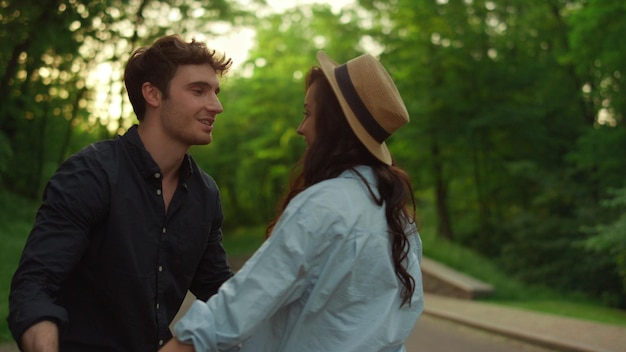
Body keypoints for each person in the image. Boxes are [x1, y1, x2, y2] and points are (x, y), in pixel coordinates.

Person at [160, 51, 424, 352]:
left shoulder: (322, 207)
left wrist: (183, 344)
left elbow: (242, 305)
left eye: (308, 113)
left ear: (332, 124)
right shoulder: (401, 218)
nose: (301, 128)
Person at [7, 34, 235, 352]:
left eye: (215, 92)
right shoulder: (90, 174)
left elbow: (220, 293)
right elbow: (35, 286)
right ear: (153, 94)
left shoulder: (205, 193)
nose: (216, 106)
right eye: (199, 91)